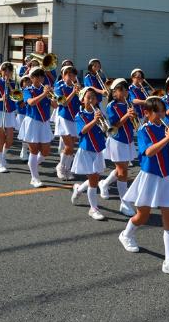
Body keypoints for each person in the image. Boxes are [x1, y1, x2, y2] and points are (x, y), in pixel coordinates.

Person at [117, 96, 169, 277]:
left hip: (168, 175)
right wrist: (167, 138)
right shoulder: (144, 130)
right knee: (142, 215)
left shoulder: (167, 128)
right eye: (157, 111)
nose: (162, 114)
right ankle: (126, 234)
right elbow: (148, 152)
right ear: (147, 113)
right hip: (150, 176)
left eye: (163, 110)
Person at [98, 78, 138, 217]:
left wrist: (134, 117)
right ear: (114, 92)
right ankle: (124, 203)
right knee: (123, 173)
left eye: (126, 89)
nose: (125, 92)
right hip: (117, 140)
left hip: (128, 140)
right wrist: (127, 115)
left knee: (122, 170)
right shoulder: (111, 106)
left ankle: (104, 183)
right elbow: (114, 126)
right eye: (122, 89)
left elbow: (133, 123)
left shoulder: (129, 104)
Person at [70, 87, 108, 221]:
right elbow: (83, 131)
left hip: (98, 149)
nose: (92, 100)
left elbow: (105, 129)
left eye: (93, 97)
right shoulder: (79, 115)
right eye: (88, 97)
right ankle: (93, 209)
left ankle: (79, 189)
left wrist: (103, 124)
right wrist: (94, 121)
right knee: (93, 180)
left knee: (95, 178)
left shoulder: (99, 112)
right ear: (82, 100)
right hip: (86, 150)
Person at [19, 67, 57, 187]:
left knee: (46, 151)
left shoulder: (46, 89)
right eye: (37, 76)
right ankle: (34, 177)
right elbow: (30, 102)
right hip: (32, 122)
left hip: (44, 122)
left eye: (41, 76)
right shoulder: (27, 90)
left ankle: (32, 164)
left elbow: (55, 106)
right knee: (34, 151)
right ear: (31, 78)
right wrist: (44, 94)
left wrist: (52, 96)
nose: (40, 78)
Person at [0, 62, 18, 173]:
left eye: (9, 71)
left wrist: (9, 85)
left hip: (10, 112)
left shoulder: (13, 83)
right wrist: (1, 99)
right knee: (1, 138)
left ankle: (2, 156)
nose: (7, 73)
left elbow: (16, 97)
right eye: (5, 70)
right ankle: (0, 163)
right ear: (1, 71)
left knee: (9, 140)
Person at [54, 66, 81, 180]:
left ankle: (67, 168)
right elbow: (63, 103)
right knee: (69, 145)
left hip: (74, 119)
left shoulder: (78, 88)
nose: (71, 77)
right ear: (64, 76)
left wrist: (81, 94)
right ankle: (60, 167)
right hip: (64, 118)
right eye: (68, 75)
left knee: (72, 146)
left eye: (73, 75)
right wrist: (74, 92)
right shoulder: (59, 87)